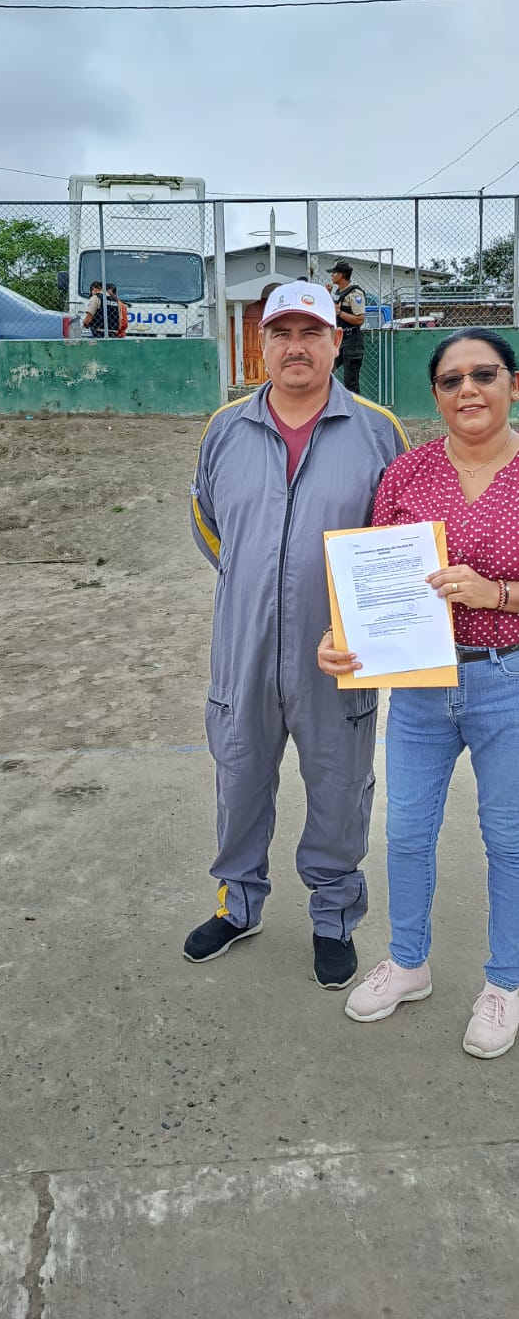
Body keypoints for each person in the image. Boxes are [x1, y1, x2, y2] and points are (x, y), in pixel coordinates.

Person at [185, 282, 408, 987]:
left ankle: (333, 917)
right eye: (281, 333)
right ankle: (238, 904)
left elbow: (397, 541)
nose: (296, 347)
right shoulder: (226, 428)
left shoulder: (377, 430)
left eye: (311, 332)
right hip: (244, 648)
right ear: (263, 345)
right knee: (239, 776)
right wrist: (256, 583)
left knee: (340, 788)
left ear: (337, 343)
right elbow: (208, 523)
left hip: (338, 652)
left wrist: (339, 610)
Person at [318, 327, 519, 1058]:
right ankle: (408, 963)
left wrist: (498, 593)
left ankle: (505, 982)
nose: (468, 389)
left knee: (509, 839)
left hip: (507, 678)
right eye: (451, 379)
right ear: (435, 394)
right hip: (421, 686)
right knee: (405, 833)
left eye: (484, 374)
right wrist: (342, 638)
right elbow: (374, 580)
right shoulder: (406, 474)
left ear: (513, 385)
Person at [327, 259, 366, 392]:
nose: (331, 275)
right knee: (325, 371)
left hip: (352, 341)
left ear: (341, 275)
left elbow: (360, 319)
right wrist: (328, 294)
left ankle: (354, 405)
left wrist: (340, 313)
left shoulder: (355, 293)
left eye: (334, 273)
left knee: (351, 382)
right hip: (339, 340)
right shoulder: (338, 292)